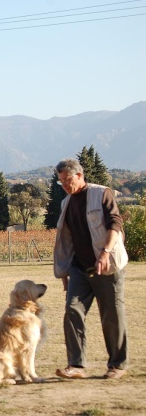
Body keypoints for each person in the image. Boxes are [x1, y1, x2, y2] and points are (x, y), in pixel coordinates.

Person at [53, 159, 128, 380]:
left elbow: (115, 223)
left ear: (79, 175)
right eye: (61, 182)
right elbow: (68, 240)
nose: (65, 185)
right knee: (72, 310)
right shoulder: (65, 202)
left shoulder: (102, 193)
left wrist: (105, 252)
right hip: (79, 267)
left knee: (112, 315)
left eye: (68, 180)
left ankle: (117, 365)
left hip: (107, 265)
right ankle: (76, 366)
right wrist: (65, 271)